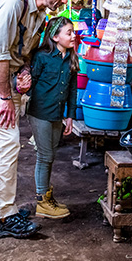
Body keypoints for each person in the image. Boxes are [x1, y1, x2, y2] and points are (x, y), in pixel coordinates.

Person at [0, 0, 74, 239]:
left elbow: (25, 54)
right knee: (8, 142)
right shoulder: (13, 3)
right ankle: (6, 218)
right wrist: (6, 96)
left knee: (3, 144)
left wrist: (26, 71)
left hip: (9, 78)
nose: (64, 1)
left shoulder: (40, 15)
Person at [25, 16, 77, 220]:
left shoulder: (71, 57)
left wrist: (70, 116)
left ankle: (46, 195)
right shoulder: (41, 57)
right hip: (40, 113)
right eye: (69, 32)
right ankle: (41, 202)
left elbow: (73, 90)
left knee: (50, 156)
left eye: (73, 32)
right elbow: (30, 84)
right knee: (45, 156)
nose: (73, 36)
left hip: (57, 114)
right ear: (55, 37)